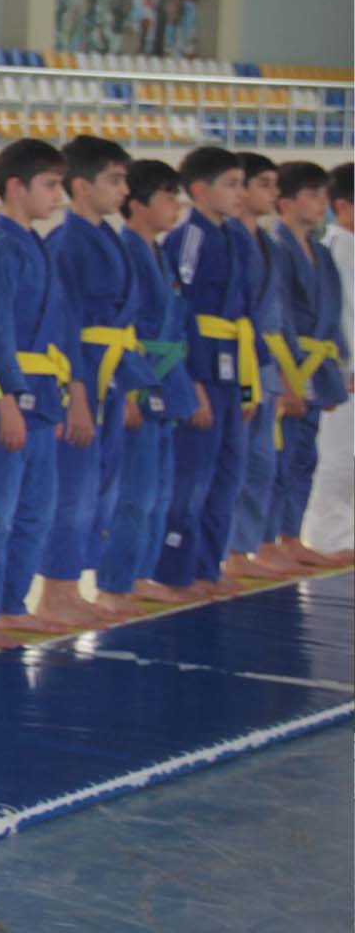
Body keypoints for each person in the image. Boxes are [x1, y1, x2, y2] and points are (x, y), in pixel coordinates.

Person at [0, 138, 74, 643]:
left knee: (33, 512)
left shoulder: (36, 246)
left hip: (41, 398)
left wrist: (58, 397)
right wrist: (5, 400)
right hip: (5, 397)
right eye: (50, 185)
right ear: (16, 187)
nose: (58, 196)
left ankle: (10, 602)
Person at [39, 136, 151, 625]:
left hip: (111, 372)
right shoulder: (66, 243)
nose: (124, 190)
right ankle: (55, 591)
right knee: (73, 487)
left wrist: (129, 384)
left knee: (99, 487)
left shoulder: (109, 237)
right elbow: (65, 327)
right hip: (82, 373)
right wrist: (76, 395)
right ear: (81, 186)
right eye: (114, 179)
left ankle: (72, 586)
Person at [150, 147, 250, 602]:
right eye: (230, 184)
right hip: (201, 369)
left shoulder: (236, 238)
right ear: (199, 190)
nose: (239, 193)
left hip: (230, 369)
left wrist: (247, 383)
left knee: (226, 474)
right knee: (191, 477)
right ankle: (175, 571)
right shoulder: (187, 238)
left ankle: (209, 565)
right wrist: (190, 382)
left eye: (241, 184)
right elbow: (180, 313)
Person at [99, 161, 199, 607]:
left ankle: (141, 574)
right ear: (137, 204)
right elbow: (123, 327)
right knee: (134, 493)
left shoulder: (160, 252)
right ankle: (115, 583)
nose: (176, 205)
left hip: (167, 378)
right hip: (138, 381)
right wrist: (129, 392)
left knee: (159, 490)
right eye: (167, 196)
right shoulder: (126, 251)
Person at [221, 153, 310, 582]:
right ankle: (230, 552)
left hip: (267, 364)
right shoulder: (229, 240)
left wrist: (287, 373)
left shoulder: (269, 246)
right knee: (234, 462)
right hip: (237, 362)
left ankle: (250, 545)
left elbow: (280, 315)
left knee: (262, 462)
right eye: (265, 184)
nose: (274, 193)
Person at [267, 162, 353, 568]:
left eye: (322, 195)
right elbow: (277, 313)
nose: (320, 204)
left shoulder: (319, 252)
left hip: (321, 366)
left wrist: (337, 367)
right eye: (312, 195)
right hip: (291, 364)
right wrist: (286, 374)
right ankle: (278, 541)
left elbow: (332, 314)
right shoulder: (279, 248)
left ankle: (292, 537)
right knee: (290, 459)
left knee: (306, 458)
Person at [301, 162, 355, 557]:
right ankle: (329, 539)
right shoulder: (337, 249)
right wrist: (343, 366)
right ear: (344, 206)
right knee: (338, 460)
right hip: (341, 373)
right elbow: (340, 317)